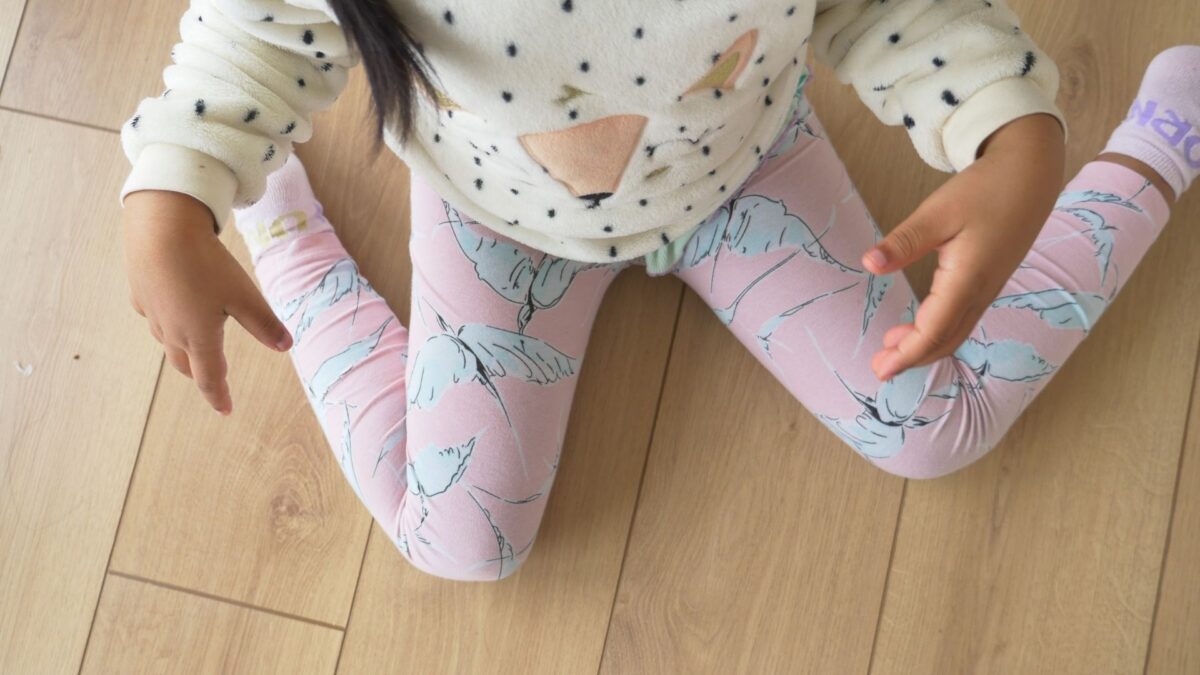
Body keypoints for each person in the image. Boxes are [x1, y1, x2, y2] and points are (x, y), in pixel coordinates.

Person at [119, 0, 1199, 581]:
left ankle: (1163, 140)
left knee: (931, 428)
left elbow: (897, 12)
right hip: (496, 219)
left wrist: (1014, 130)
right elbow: (256, 33)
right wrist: (177, 191)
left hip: (745, 173)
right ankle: (282, 224)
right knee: (462, 544)